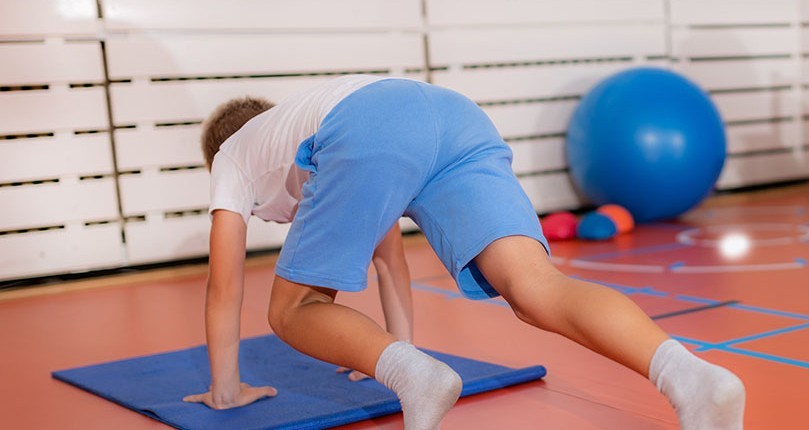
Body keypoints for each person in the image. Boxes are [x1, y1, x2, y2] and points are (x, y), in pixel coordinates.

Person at [183, 75, 746, 430]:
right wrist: (396, 348)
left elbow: (223, 287)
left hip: (374, 123)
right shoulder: (304, 136)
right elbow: (389, 260)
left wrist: (227, 391)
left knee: (292, 307)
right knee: (535, 289)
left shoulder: (232, 156)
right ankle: (692, 379)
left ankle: (419, 378)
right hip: (452, 116)